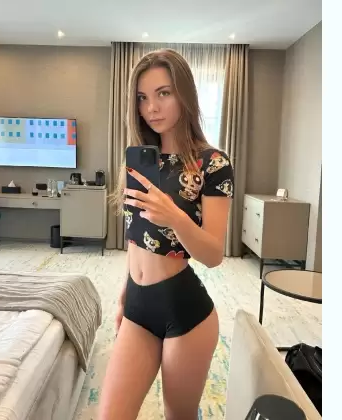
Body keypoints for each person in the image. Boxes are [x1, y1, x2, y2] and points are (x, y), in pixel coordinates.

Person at [98, 48, 234, 420]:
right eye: (142, 98)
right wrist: (125, 293)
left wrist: (173, 216)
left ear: (184, 94)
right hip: (138, 306)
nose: (151, 108)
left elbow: (213, 255)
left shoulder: (213, 163)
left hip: (185, 311)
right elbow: (135, 237)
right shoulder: (140, 160)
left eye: (163, 93)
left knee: (178, 415)